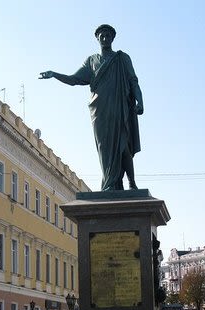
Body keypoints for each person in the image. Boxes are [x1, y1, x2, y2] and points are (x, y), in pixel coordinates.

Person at [39, 24, 144, 191]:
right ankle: (111, 184)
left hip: (119, 108)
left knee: (123, 146)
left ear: (112, 38)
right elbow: (74, 79)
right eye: (101, 36)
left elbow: (133, 81)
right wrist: (55, 75)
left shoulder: (122, 58)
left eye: (108, 35)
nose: (104, 38)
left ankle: (131, 183)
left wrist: (140, 101)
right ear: (97, 38)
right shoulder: (91, 61)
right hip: (100, 112)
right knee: (105, 149)